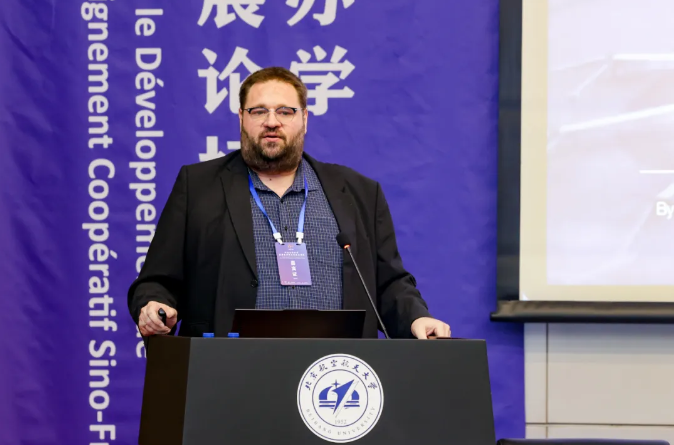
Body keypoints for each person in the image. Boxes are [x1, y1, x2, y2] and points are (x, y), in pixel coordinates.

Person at [127, 67, 450, 340]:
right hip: (229, 371)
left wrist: (416, 318)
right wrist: (153, 305)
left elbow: (389, 283)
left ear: (304, 119)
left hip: (335, 371)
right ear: (241, 118)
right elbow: (157, 280)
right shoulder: (198, 186)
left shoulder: (359, 193)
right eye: (258, 111)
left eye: (285, 111)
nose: (272, 121)